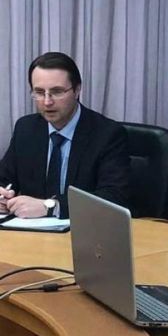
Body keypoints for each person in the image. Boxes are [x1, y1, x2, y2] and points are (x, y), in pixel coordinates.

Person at [0, 52, 130, 219]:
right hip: (29, 231)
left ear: (77, 90)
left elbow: (114, 197)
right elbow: (5, 179)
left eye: (57, 92)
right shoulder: (26, 128)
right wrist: (3, 195)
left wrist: (52, 207)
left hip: (84, 230)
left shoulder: (107, 134)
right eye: (39, 92)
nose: (47, 102)